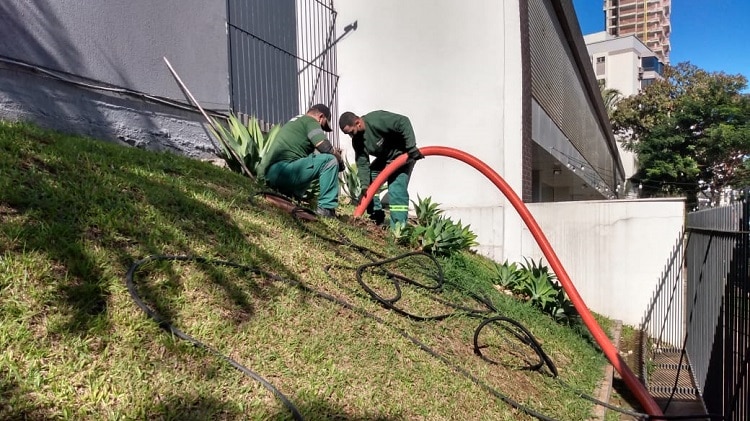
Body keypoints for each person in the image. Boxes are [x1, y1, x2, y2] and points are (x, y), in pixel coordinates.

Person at [338, 110, 424, 227]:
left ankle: (398, 231)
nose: (351, 136)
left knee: (396, 189)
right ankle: (376, 218)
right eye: (348, 134)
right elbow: (363, 164)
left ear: (358, 122)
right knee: (370, 184)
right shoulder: (357, 141)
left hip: (403, 156)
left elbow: (403, 121)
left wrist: (411, 147)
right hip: (385, 159)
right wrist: (364, 185)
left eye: (351, 132)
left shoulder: (376, 120)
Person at [257, 104, 344, 218]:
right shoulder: (310, 121)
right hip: (284, 171)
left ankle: (290, 196)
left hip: (273, 174)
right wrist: (340, 160)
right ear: (321, 117)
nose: (322, 130)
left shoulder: (296, 121)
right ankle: (326, 209)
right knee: (330, 160)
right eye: (323, 126)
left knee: (309, 160)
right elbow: (325, 147)